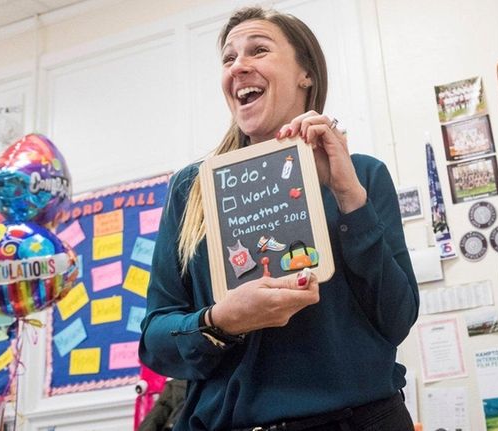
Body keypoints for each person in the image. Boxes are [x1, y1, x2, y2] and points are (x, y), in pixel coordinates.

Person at [138, 6, 419, 431]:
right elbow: (156, 341)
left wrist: (349, 199)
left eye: (258, 50)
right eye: (229, 58)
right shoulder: (191, 189)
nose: (238, 67)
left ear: (306, 72)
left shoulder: (362, 175)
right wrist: (220, 322)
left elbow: (397, 319)